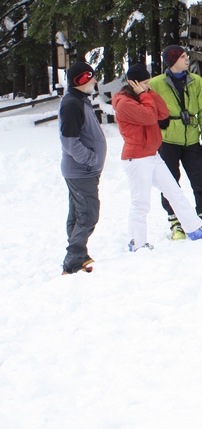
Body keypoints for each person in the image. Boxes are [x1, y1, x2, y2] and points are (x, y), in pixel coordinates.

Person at [112, 64, 202, 249]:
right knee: (141, 202)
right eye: (145, 83)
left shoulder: (142, 96)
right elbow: (148, 117)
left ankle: (194, 228)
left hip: (152, 156)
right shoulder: (124, 103)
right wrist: (144, 95)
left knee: (174, 192)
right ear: (134, 84)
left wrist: (148, 93)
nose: (149, 86)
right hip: (137, 158)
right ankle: (137, 242)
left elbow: (163, 113)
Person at [149, 45, 202, 238]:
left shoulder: (197, 82)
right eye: (183, 56)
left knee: (200, 179)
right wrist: (157, 122)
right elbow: (146, 107)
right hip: (168, 140)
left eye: (187, 56)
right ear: (172, 60)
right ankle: (175, 220)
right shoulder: (156, 84)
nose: (187, 59)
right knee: (170, 182)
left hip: (191, 139)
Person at [59, 62, 107, 274]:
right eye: (91, 77)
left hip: (82, 170)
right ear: (81, 80)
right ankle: (73, 261)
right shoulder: (73, 104)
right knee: (88, 215)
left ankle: (79, 256)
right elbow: (69, 142)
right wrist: (91, 160)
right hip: (81, 171)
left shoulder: (80, 100)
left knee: (79, 215)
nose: (94, 81)